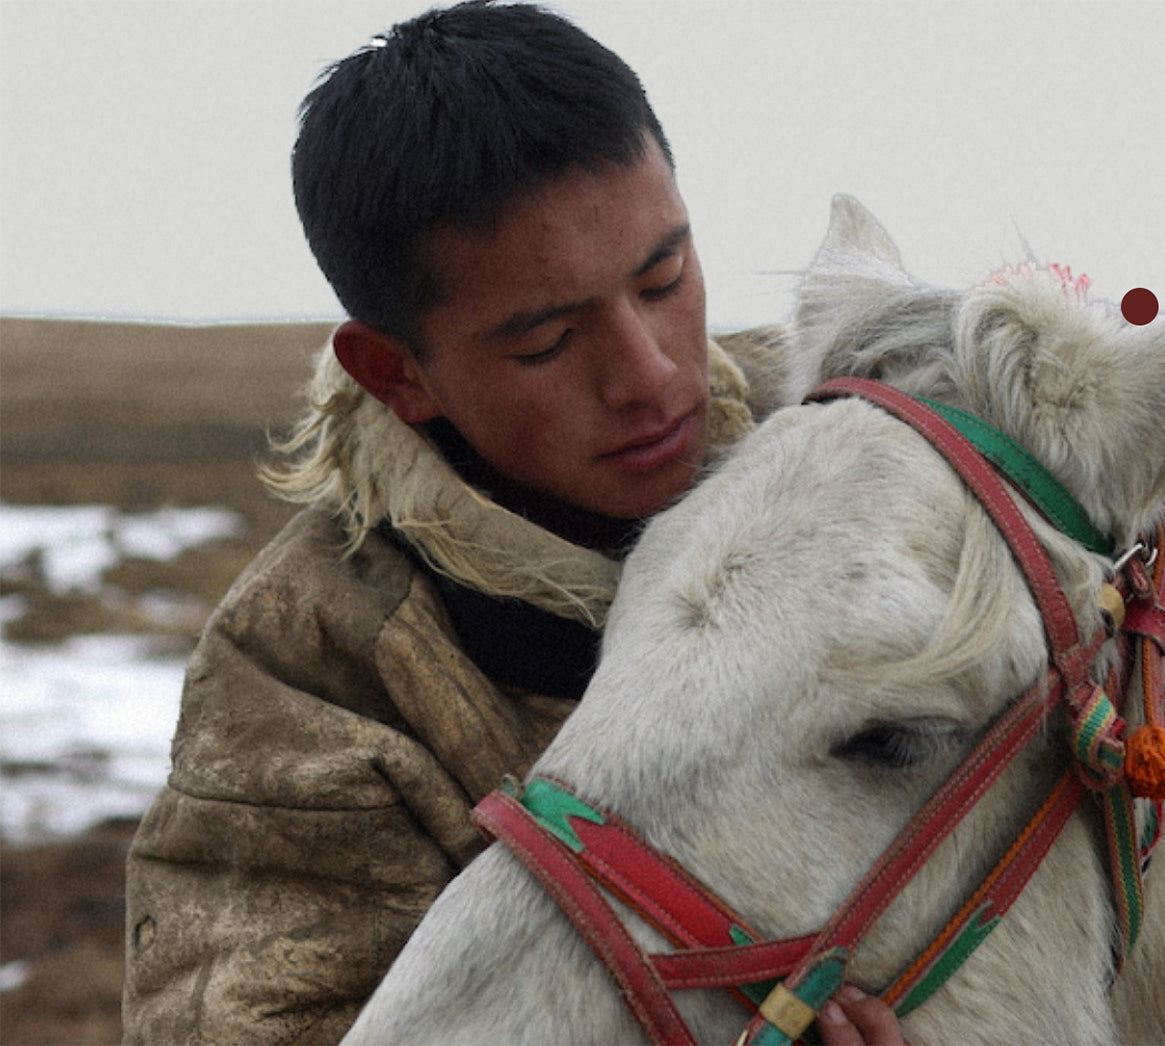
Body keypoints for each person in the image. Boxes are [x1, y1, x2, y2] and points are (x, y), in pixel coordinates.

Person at [121, 3, 904, 1043]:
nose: (650, 373)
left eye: (664, 278)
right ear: (397, 372)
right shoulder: (306, 671)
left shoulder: (838, 462)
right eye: (543, 340)